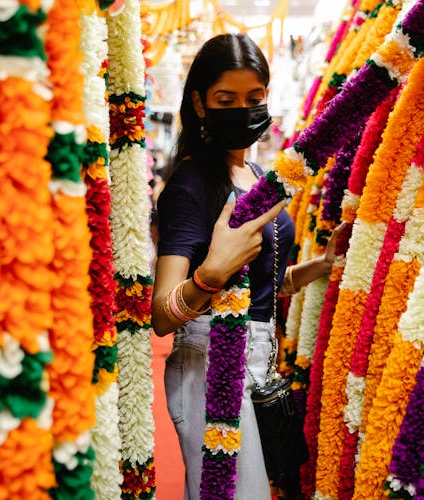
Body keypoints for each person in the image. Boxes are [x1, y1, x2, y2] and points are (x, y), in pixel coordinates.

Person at [151, 33, 345, 500]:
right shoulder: (190, 186)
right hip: (211, 364)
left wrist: (321, 265)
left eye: (254, 98)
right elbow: (160, 314)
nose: (244, 109)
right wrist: (208, 277)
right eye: (226, 99)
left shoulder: (259, 177)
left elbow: (267, 282)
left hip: (261, 361)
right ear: (200, 104)